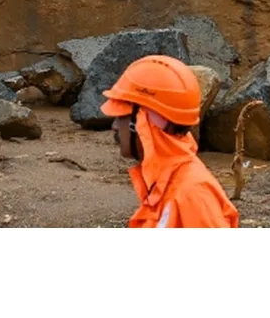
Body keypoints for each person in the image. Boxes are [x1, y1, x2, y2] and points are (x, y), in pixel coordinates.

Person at [100, 55, 239, 228]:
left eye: (121, 117)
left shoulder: (191, 195)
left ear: (144, 122)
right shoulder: (167, 182)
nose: (114, 126)